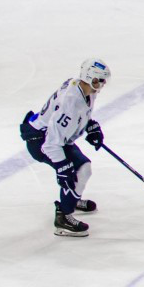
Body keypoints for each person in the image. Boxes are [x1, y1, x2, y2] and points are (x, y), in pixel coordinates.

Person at [18, 58, 110, 237]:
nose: (101, 84)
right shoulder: (71, 102)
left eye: (103, 81)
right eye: (98, 80)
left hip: (50, 137)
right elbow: (51, 143)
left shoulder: (83, 87)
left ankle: (73, 198)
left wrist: (89, 126)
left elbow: (77, 116)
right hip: (41, 142)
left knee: (81, 170)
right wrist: (62, 166)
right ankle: (63, 217)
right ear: (87, 77)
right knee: (81, 170)